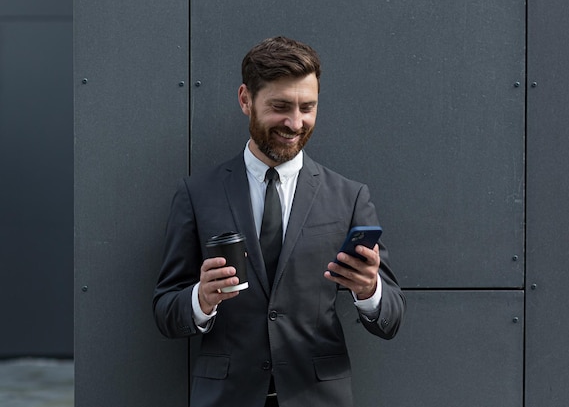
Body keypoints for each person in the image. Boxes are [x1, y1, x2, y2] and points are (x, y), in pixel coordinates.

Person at [153, 36, 405, 407]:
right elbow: (165, 310)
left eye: (308, 107)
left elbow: (392, 317)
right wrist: (201, 300)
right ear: (245, 100)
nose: (296, 122)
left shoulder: (350, 197)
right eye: (281, 106)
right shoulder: (197, 193)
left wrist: (369, 292)